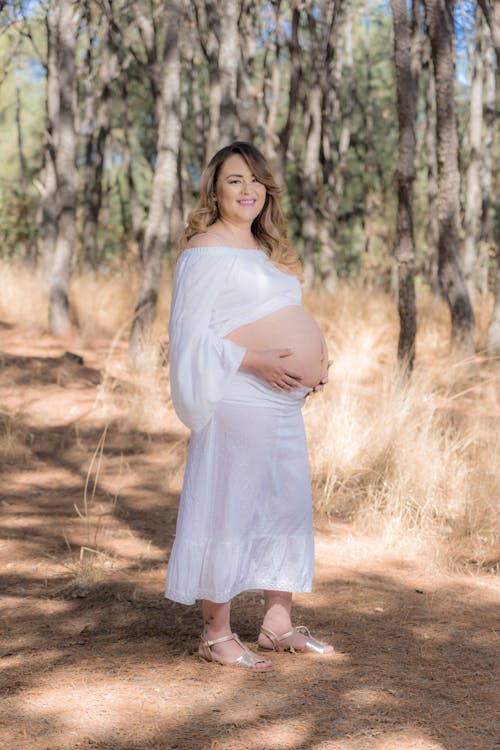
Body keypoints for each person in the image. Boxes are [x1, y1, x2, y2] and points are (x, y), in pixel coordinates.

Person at [166, 141, 334, 671]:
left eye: (256, 180)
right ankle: (217, 633)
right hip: (238, 393)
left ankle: (276, 625)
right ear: (215, 188)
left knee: (283, 504)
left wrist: (318, 364)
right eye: (235, 180)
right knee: (231, 504)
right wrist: (255, 360)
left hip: (281, 405)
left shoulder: (264, 253)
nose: (248, 190)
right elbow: (190, 338)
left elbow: (278, 315)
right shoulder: (204, 250)